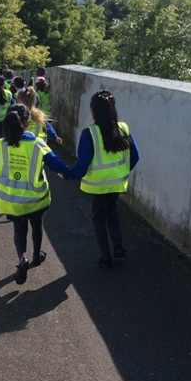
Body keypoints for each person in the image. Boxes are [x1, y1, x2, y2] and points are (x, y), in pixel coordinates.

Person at [0, 104, 69, 284]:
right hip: (36, 198)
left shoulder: (1, 144)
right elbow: (58, 166)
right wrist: (71, 173)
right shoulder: (37, 144)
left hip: (11, 199)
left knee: (19, 229)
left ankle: (23, 258)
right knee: (37, 225)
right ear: (28, 123)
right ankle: (37, 255)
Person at [64, 89, 140, 269]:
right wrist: (121, 172)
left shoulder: (89, 133)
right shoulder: (123, 128)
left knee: (98, 218)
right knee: (111, 210)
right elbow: (135, 156)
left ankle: (106, 257)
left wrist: (69, 174)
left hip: (97, 184)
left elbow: (83, 164)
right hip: (117, 182)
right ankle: (118, 245)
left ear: (93, 111)